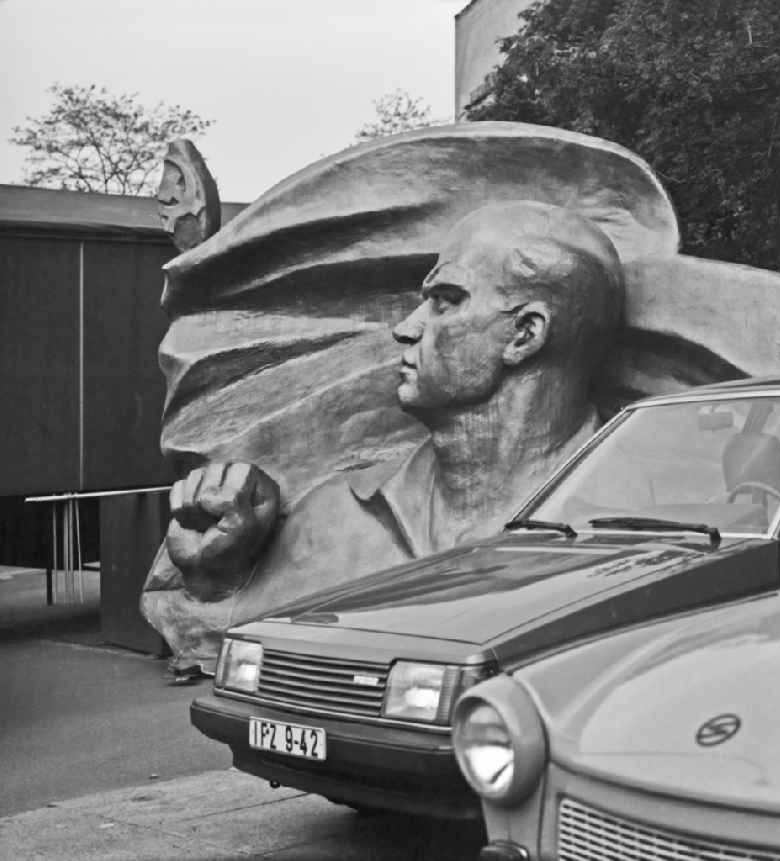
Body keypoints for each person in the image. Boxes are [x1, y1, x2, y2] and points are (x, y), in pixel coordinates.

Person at [141, 200, 624, 670]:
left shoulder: (641, 524)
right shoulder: (334, 518)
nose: (406, 328)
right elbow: (240, 643)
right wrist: (216, 579)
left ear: (525, 334)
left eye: (444, 302)